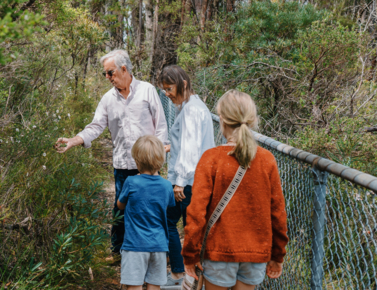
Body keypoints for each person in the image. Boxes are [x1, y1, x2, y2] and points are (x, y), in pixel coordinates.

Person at [54, 49, 169, 259]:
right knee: (121, 208)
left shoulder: (147, 91)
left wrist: (158, 154)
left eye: (110, 73)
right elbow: (95, 126)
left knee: (152, 208)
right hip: (123, 165)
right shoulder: (108, 99)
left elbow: (160, 126)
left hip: (149, 165)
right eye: (105, 74)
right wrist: (74, 140)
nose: (107, 78)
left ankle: (158, 252)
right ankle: (118, 252)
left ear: (123, 69)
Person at [182, 90, 288, 290]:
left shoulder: (211, 158)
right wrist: (278, 254)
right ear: (252, 120)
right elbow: (278, 213)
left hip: (218, 251)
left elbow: (196, 213)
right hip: (256, 253)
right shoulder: (267, 160)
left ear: (221, 119)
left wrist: (190, 254)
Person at [159, 65, 215, 287]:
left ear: (182, 84)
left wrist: (179, 183)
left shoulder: (191, 110)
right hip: (192, 180)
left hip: (188, 182)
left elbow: (191, 150)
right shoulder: (191, 106)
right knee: (182, 225)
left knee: (176, 224)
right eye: (164, 90)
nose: (167, 94)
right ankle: (184, 274)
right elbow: (189, 142)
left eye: (169, 88)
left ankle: (182, 274)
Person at [117, 135, 175, 290]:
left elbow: (120, 205)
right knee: (154, 286)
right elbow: (169, 205)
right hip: (159, 245)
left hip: (135, 245)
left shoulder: (131, 182)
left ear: (137, 160)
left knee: (134, 286)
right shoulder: (167, 186)